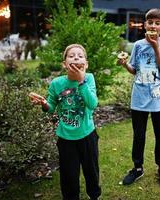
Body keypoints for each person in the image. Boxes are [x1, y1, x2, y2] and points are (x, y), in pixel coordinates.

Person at [29, 44, 101, 200]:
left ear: (86, 64)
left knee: (91, 170)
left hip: (87, 135)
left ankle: (94, 195)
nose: (76, 57)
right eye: (71, 55)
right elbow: (51, 107)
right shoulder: (57, 83)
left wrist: (81, 82)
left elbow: (92, 104)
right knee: (69, 175)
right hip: (66, 138)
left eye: (80, 56)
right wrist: (43, 103)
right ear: (64, 64)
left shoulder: (89, 78)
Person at [117, 8, 160, 188]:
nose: (153, 26)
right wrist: (125, 64)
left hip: (159, 98)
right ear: (145, 25)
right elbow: (135, 70)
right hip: (139, 97)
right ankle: (138, 168)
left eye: (157, 23)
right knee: (139, 135)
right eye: (150, 22)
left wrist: (156, 48)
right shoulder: (138, 45)